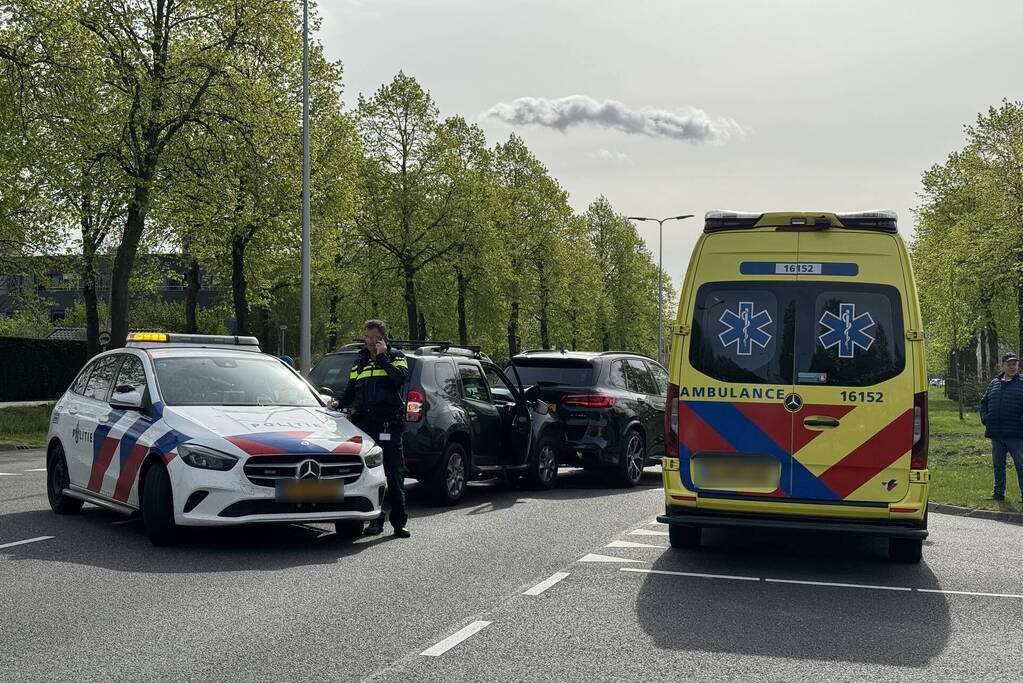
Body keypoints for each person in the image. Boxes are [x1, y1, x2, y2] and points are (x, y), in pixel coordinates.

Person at [333, 320, 411, 537]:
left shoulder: (396, 357)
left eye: (375, 337)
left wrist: (383, 357)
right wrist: (337, 402)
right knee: (372, 477)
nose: (370, 342)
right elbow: (350, 391)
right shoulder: (360, 362)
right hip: (365, 426)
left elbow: (400, 379)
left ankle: (399, 523)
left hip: (389, 425)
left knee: (394, 475)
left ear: (383, 338)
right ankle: (376, 521)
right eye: (367, 337)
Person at [979, 352, 1023, 503]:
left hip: (1016, 434)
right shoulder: (994, 383)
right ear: (1002, 365)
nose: (1012, 367)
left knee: (1021, 465)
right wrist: (986, 419)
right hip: (996, 433)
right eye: (1009, 364)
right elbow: (983, 403)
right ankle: (998, 494)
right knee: (998, 465)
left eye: (1014, 364)